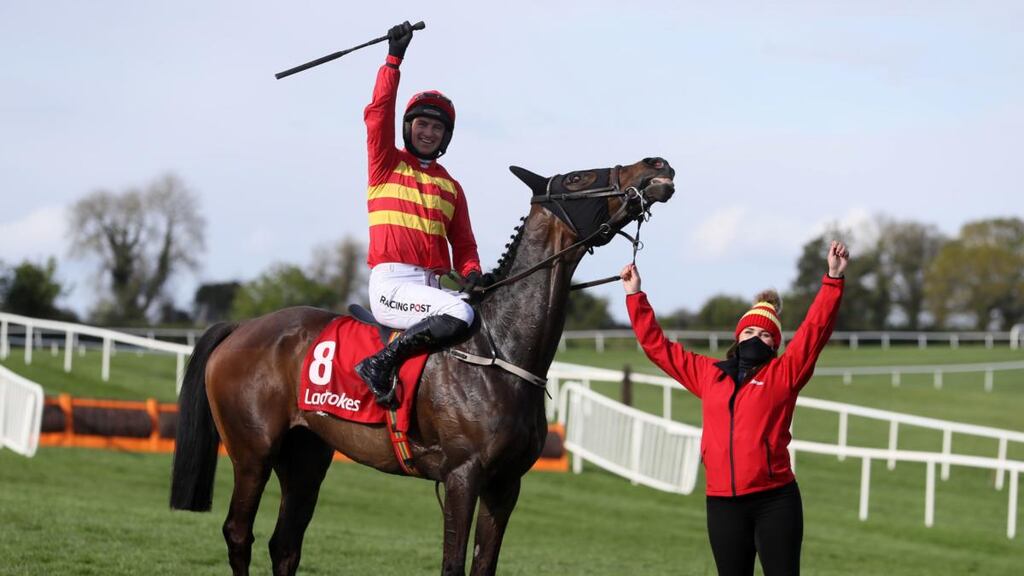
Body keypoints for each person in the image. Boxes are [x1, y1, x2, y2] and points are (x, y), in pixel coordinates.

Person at [621, 241, 849, 576]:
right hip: (722, 504)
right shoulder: (708, 373)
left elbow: (815, 331)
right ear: (737, 337)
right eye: (750, 331)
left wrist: (833, 279)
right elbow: (658, 347)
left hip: (775, 501)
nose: (757, 338)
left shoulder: (785, 374)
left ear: (775, 344)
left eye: (766, 335)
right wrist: (635, 296)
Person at [355, 21, 493, 405]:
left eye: (436, 127)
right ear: (408, 127)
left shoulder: (452, 187)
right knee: (460, 316)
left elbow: (464, 245)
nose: (428, 132)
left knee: (483, 316)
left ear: (445, 136)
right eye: (422, 124)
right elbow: (378, 113)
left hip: (431, 289)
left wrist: (472, 274)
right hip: (392, 287)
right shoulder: (385, 163)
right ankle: (378, 365)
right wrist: (393, 62)